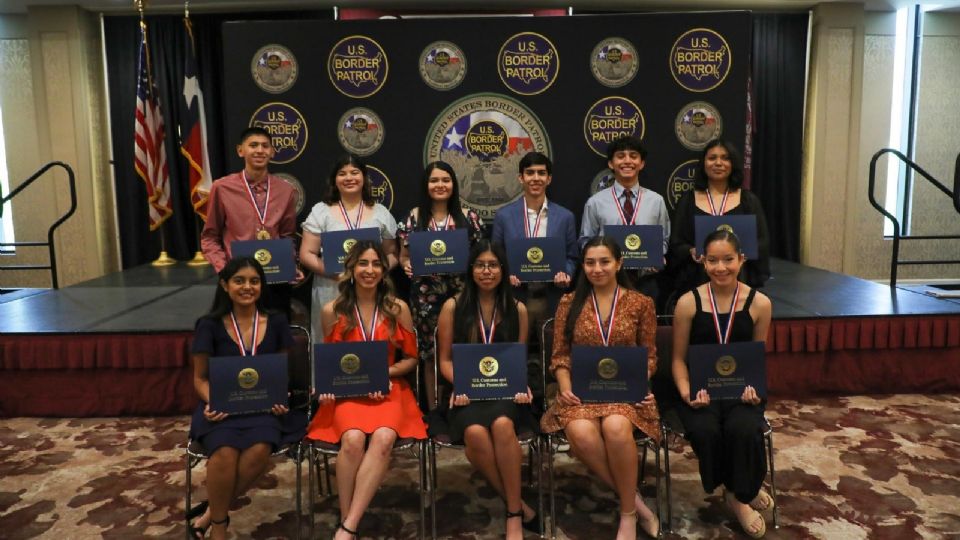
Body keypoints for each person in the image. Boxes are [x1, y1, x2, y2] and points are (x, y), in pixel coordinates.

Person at [540, 236, 660, 540]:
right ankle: (633, 502)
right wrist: (565, 387)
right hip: (581, 391)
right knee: (580, 431)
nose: (597, 268)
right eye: (590, 262)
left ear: (619, 263)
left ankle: (627, 516)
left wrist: (639, 383)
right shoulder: (569, 302)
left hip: (626, 393)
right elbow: (560, 355)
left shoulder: (641, 303)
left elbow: (649, 356)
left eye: (604, 261)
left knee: (617, 427)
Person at [306, 240, 427, 539]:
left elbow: (412, 359)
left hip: (389, 389)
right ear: (350, 268)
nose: (369, 270)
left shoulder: (397, 308)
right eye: (362, 263)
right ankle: (348, 515)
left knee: (384, 437)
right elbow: (330, 362)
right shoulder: (331, 310)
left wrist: (383, 373)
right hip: (348, 392)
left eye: (375, 264)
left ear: (384, 271)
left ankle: (348, 526)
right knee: (352, 439)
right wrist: (327, 387)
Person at [186, 256, 306, 540]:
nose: (247, 287)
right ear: (225, 285)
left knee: (259, 450)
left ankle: (208, 516)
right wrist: (213, 400)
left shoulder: (276, 322)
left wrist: (280, 395)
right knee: (225, 451)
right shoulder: (209, 325)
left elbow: (280, 372)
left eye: (254, 281)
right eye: (239, 281)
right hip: (221, 407)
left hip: (263, 407)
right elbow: (200, 378)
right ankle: (219, 527)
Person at [432, 240, 541, 539]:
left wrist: (521, 384)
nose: (487, 271)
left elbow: (519, 355)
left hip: (506, 393)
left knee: (504, 424)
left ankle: (514, 515)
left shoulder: (517, 309)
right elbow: (443, 360)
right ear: (471, 270)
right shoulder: (452, 307)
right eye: (480, 265)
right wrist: (461, 383)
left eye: (493, 265)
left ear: (503, 270)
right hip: (466, 391)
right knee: (476, 434)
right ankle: (517, 505)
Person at [670, 229, 773, 538]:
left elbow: (757, 356)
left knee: (743, 428)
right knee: (706, 430)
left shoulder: (760, 303)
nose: (721, 267)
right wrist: (687, 392)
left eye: (728, 259)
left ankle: (739, 494)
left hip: (743, 391)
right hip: (700, 391)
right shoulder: (688, 303)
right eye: (712, 260)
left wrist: (754, 391)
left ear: (741, 259)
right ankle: (738, 491)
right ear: (702, 262)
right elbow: (677, 360)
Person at [397, 161, 485, 408]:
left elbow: (481, 258)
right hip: (426, 298)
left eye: (445, 180)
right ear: (426, 185)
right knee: (430, 354)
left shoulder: (469, 218)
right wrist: (406, 265)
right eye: (434, 180)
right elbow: (403, 257)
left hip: (463, 295)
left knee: (466, 349)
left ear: (454, 185)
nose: (440, 185)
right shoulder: (413, 218)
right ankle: (434, 409)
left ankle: (469, 404)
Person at [200, 127, 303, 314]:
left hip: (274, 280)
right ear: (241, 150)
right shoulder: (222, 188)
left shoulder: (285, 190)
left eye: (265, 146)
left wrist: (291, 265)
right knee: (235, 339)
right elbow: (210, 237)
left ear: (272, 152)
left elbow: (287, 236)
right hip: (237, 281)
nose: (259, 150)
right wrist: (226, 270)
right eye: (253, 145)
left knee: (275, 337)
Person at [491, 152, 578, 369]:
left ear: (549, 178)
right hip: (516, 297)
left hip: (551, 296)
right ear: (521, 178)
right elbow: (496, 255)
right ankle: (516, 393)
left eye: (541, 173)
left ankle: (552, 394)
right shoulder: (504, 216)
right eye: (530, 173)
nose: (535, 178)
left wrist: (566, 272)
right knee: (513, 351)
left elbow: (573, 256)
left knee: (554, 352)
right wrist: (505, 274)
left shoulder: (565, 217)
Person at [300, 155, 399, 340]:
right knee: (330, 344)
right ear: (334, 180)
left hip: (372, 289)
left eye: (355, 172)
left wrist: (376, 272)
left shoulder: (381, 212)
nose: (349, 178)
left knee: (370, 339)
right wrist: (336, 275)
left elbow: (392, 253)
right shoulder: (321, 211)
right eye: (342, 173)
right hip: (331, 287)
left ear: (364, 178)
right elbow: (307, 254)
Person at [668, 139, 770, 300]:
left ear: (733, 163)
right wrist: (691, 251)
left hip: (739, 282)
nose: (718, 163)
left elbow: (762, 242)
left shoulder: (748, 201)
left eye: (725, 158)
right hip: (696, 282)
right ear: (703, 163)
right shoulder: (687, 201)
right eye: (712, 158)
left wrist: (739, 255)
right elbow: (676, 243)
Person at [580, 136, 671, 305]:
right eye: (621, 156)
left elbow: (663, 239)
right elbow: (587, 241)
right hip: (607, 281)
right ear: (610, 163)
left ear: (642, 163)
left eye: (633, 156)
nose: (627, 161)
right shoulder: (596, 202)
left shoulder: (656, 201)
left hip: (646, 281)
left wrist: (657, 257)